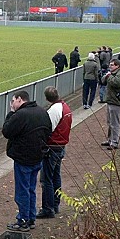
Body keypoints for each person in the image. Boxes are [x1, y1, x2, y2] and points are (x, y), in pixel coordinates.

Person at [2, 90, 52, 231]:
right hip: (37, 157)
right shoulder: (42, 112)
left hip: (23, 158)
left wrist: (11, 113)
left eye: (13, 101)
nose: (12, 104)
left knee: (22, 190)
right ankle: (30, 218)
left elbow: (6, 131)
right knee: (31, 188)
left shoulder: (20, 115)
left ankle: (23, 219)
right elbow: (48, 131)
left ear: (19, 99)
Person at [37, 86, 72, 219]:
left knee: (47, 179)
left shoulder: (54, 110)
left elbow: (48, 129)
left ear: (47, 98)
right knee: (56, 177)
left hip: (52, 148)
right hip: (60, 146)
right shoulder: (65, 107)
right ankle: (55, 205)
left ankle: (48, 208)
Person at [101, 58, 120, 150]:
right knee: (110, 122)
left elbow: (117, 83)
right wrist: (107, 76)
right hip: (110, 101)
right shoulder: (112, 73)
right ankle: (110, 140)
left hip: (116, 102)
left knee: (115, 123)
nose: (110, 66)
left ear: (117, 66)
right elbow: (103, 81)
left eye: (112, 65)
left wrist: (109, 76)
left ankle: (114, 142)